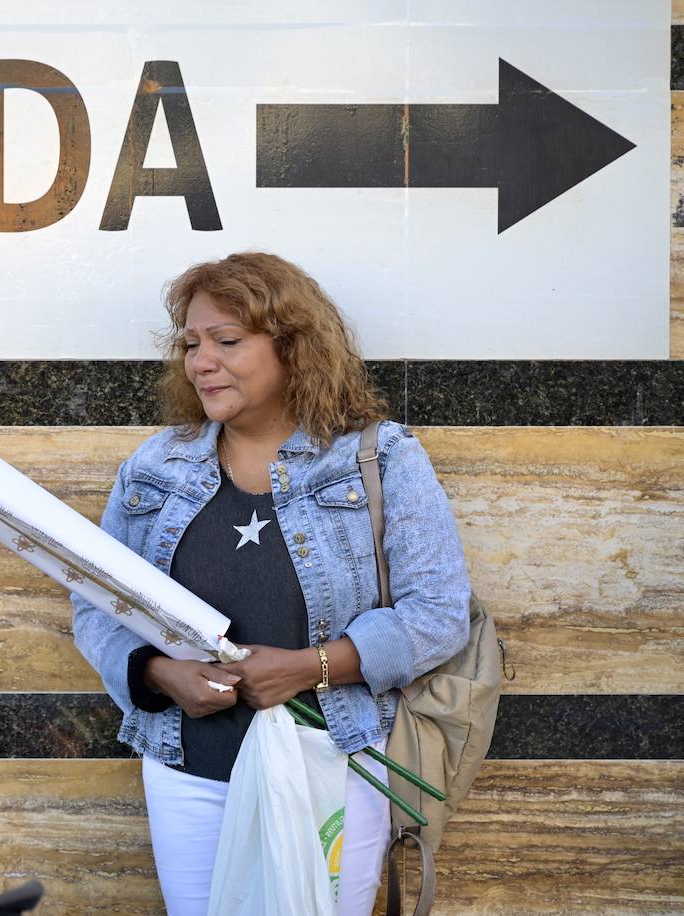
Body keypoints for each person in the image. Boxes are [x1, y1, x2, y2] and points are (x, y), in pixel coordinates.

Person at [71, 252, 470, 916]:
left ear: (293, 347)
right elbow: (98, 606)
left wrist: (310, 667)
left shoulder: (379, 457)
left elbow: (438, 614)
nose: (201, 361)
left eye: (227, 341)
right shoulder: (156, 466)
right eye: (192, 344)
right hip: (187, 770)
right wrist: (161, 676)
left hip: (335, 764)